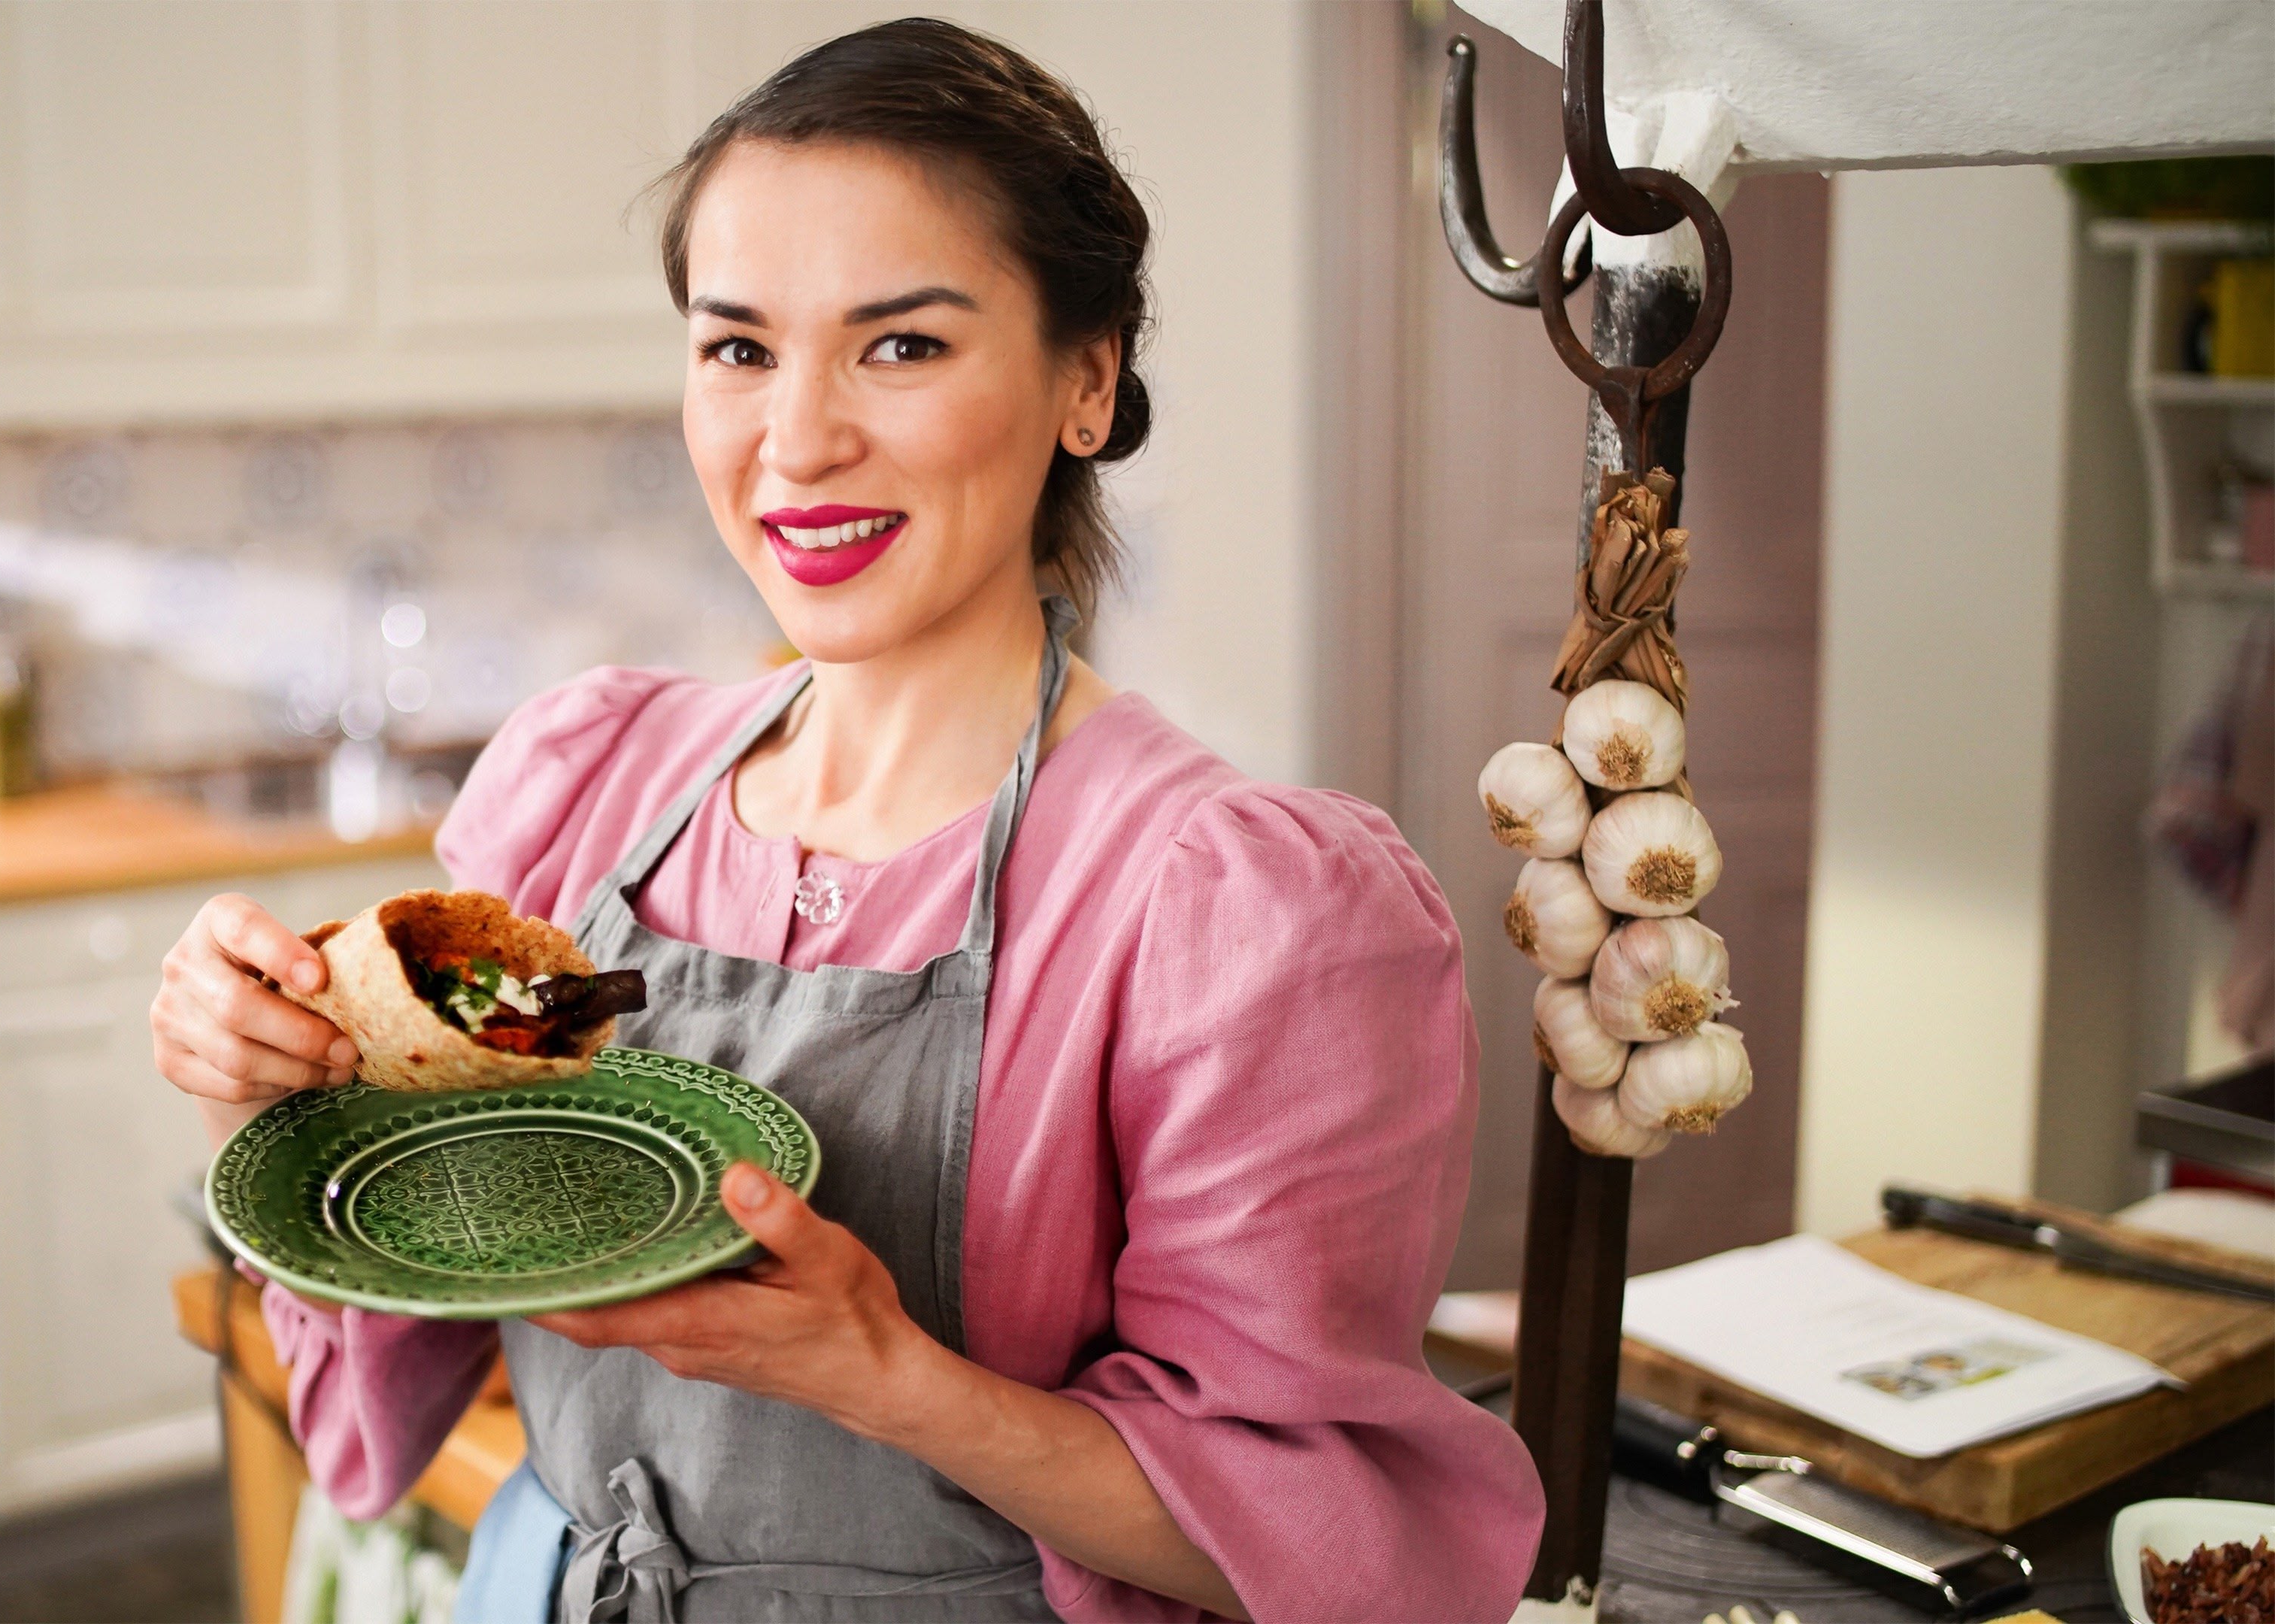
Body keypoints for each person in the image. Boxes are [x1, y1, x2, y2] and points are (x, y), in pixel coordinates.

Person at [153, 19, 1542, 1621]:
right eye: (739, 350)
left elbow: (1328, 1551)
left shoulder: (1239, 911)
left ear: (1086, 380)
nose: (797, 442)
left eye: (903, 346)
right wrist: (263, 1087)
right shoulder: (587, 788)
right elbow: (389, 1365)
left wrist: (891, 1377)